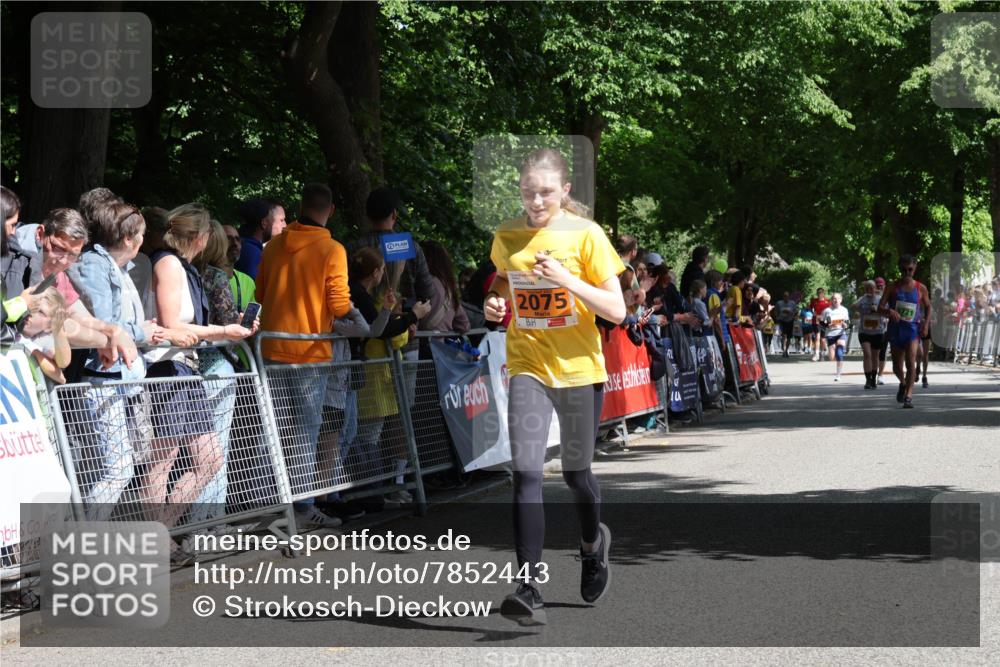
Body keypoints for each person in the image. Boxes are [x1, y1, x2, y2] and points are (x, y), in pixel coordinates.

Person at [484, 148, 625, 626]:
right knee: (525, 472)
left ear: (565, 190)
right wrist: (494, 305)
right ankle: (528, 585)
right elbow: (503, 286)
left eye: (545, 191)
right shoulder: (507, 235)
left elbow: (617, 310)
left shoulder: (587, 235)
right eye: (528, 191)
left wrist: (568, 279)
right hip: (528, 364)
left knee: (575, 475)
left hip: (580, 369)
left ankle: (591, 545)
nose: (536, 200)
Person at [70, 200, 189, 521]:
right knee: (115, 470)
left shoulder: (119, 267)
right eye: (142, 234)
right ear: (128, 239)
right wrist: (143, 330)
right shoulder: (97, 265)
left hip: (120, 382)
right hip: (102, 380)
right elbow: (103, 322)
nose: (145, 240)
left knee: (111, 469)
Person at [143, 203, 253, 550]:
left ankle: (162, 532)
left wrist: (228, 330)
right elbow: (171, 325)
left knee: (208, 459)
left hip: (184, 368)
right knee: (164, 459)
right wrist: (223, 330)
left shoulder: (182, 266)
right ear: (201, 237)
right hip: (167, 367)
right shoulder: (169, 263)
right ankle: (156, 538)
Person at [255, 183, 352, 528]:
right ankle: (301, 508)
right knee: (305, 433)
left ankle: (273, 504)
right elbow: (339, 304)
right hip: (310, 353)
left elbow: (261, 292)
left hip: (270, 349)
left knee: (275, 428)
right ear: (331, 210)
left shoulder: (274, 246)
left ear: (300, 205)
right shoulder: (332, 249)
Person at [189, 220, 260, 525]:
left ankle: (201, 520)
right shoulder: (217, 277)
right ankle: (210, 521)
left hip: (195, 363)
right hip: (218, 364)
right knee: (218, 446)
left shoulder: (193, 271)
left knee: (200, 449)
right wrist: (243, 323)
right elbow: (228, 323)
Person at [348, 247, 431, 507]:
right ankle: (372, 494)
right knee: (367, 436)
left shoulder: (368, 297)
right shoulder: (371, 299)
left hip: (374, 375)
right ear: (375, 273)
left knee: (364, 434)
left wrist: (404, 321)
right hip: (375, 377)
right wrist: (412, 318)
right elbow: (390, 335)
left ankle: (374, 492)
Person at [878, 255, 931, 408]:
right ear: (899, 268)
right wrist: (889, 312)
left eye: (910, 269)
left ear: (915, 268)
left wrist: (926, 324)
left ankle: (909, 395)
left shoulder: (920, 288)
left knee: (911, 361)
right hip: (895, 330)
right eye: (904, 269)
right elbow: (880, 307)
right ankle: (902, 383)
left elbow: (928, 307)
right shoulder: (891, 287)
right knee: (896, 366)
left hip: (912, 330)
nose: (907, 272)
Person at [419, 239, 471, 334]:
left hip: (414, 345)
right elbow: (464, 325)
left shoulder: (419, 283)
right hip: (439, 347)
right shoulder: (448, 288)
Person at [234, 198, 286, 279]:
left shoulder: (243, 246)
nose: (285, 226)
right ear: (264, 223)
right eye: (281, 220)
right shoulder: (252, 253)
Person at [851, 281, 886, 389]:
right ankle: (868, 380)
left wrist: (878, 310)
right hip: (864, 332)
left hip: (878, 332)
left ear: (875, 288)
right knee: (867, 354)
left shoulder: (880, 299)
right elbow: (853, 306)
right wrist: (858, 307)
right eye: (866, 288)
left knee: (875, 356)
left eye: (871, 288)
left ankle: (874, 379)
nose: (869, 290)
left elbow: (887, 311)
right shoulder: (863, 298)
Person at [818, 292, 850, 381]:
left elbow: (847, 322)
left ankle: (838, 375)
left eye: (837, 298)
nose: (836, 300)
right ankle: (835, 358)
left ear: (841, 300)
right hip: (830, 334)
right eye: (834, 299)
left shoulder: (844, 310)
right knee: (832, 357)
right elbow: (821, 322)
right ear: (831, 300)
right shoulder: (827, 311)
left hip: (840, 333)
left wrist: (845, 325)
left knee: (839, 353)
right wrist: (828, 325)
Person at [873, 277, 889, 384]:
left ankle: (880, 375)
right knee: (873, 354)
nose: (880, 287)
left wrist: (888, 317)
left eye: (881, 285)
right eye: (877, 285)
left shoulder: (888, 298)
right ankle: (872, 375)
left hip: (884, 328)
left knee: (882, 353)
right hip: (871, 330)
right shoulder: (870, 298)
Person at [774, 291, 799, 358]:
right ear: (783, 297)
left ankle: (786, 350)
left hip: (790, 321)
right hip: (781, 321)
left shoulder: (792, 303)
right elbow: (775, 310)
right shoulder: (779, 303)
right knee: (783, 335)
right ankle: (783, 349)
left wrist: (793, 314)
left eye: (787, 296)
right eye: (785, 296)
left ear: (789, 297)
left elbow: (796, 311)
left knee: (789, 337)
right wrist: (777, 317)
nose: (786, 297)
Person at [809, 288, 831, 361]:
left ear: (824, 293)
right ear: (817, 293)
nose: (820, 294)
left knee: (823, 339)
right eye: (818, 292)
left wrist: (829, 322)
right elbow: (810, 308)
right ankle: (816, 354)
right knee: (817, 337)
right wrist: (813, 313)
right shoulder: (814, 301)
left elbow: (830, 312)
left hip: (824, 321)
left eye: (821, 292)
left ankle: (822, 353)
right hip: (816, 320)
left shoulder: (827, 301)